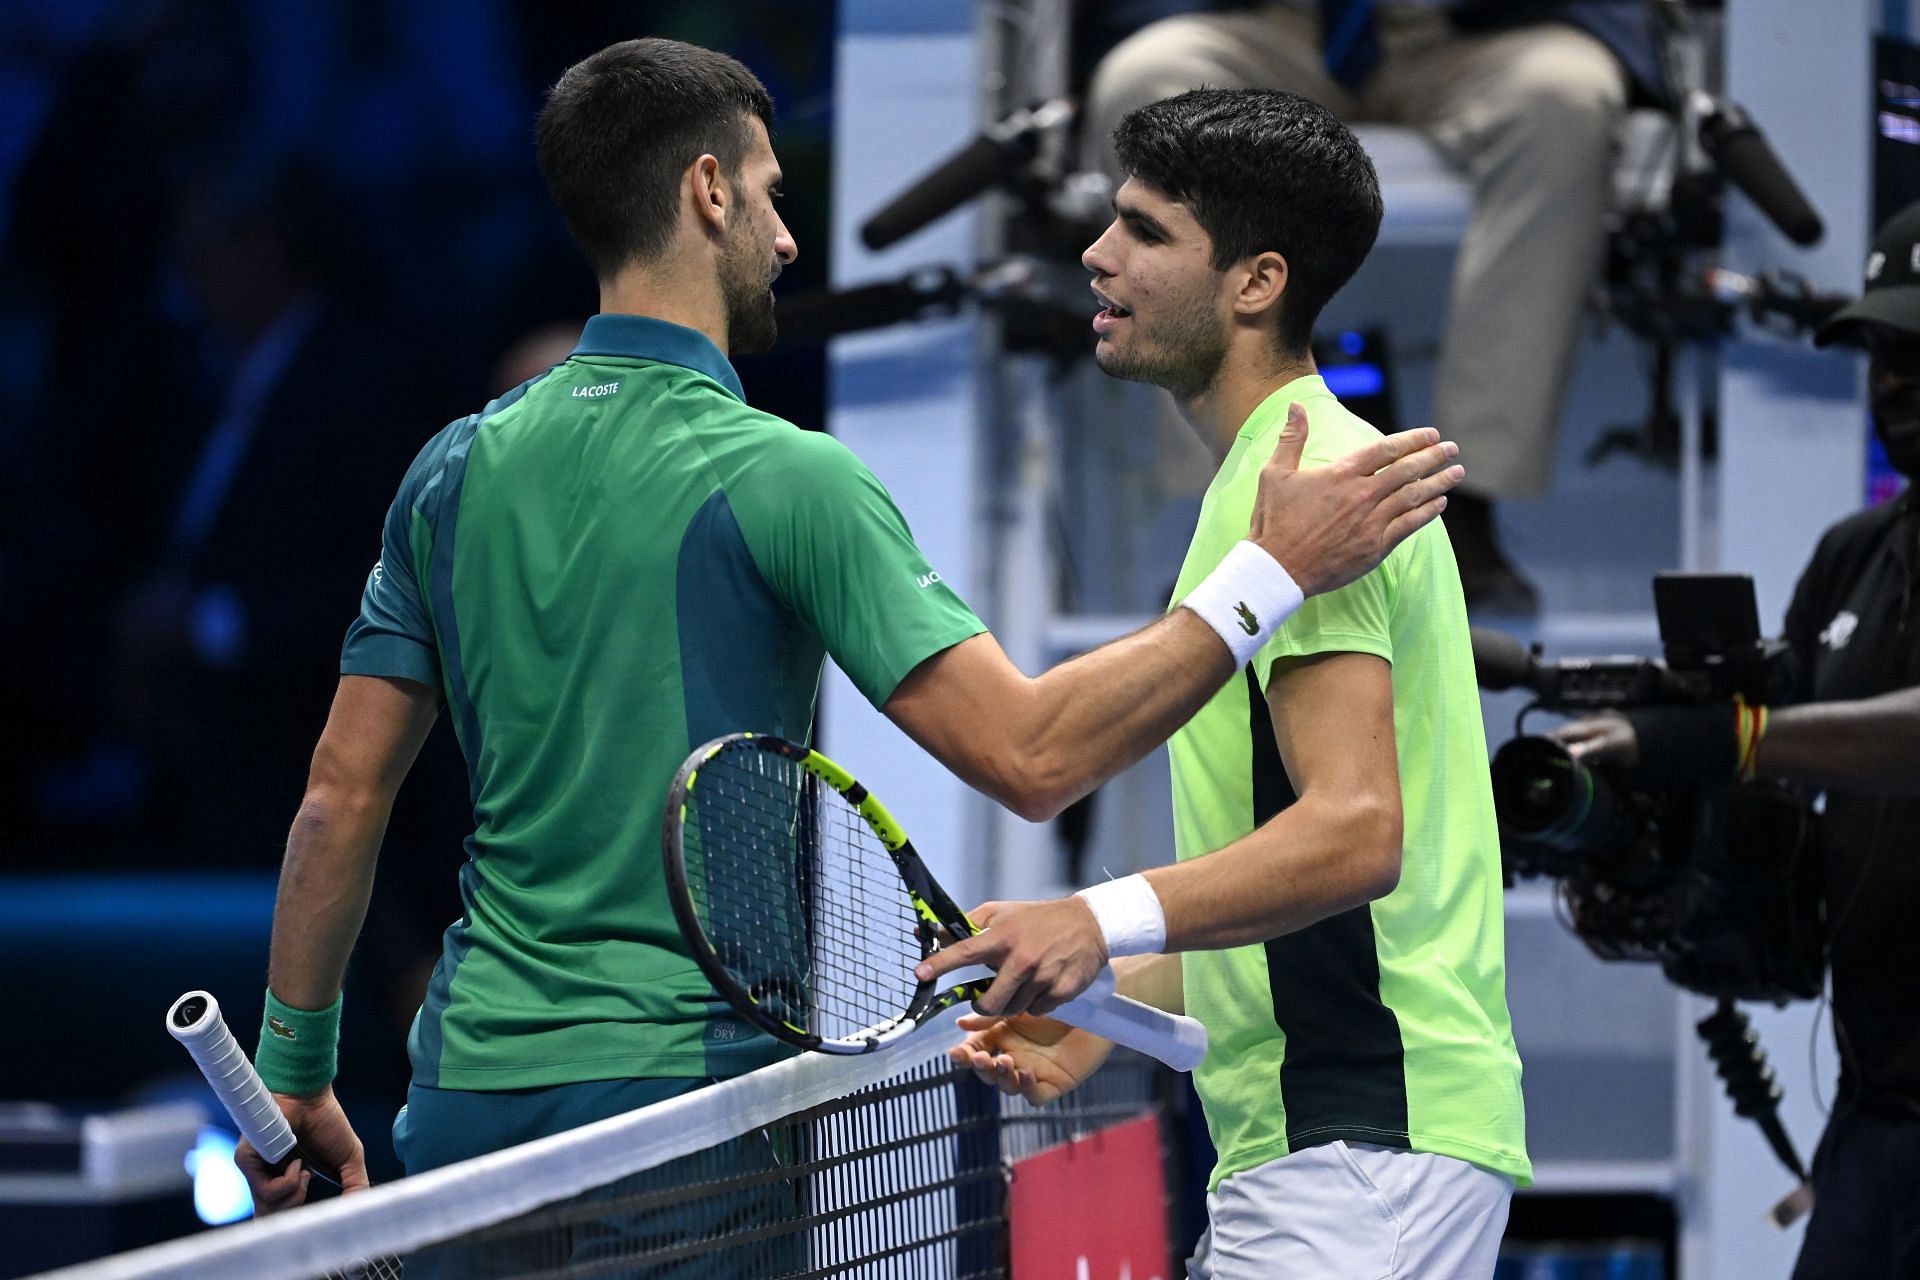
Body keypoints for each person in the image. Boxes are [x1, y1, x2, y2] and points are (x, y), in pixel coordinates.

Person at [235, 38, 1465, 1212]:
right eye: (769, 195)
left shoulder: (448, 470)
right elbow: (1032, 756)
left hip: (466, 1101)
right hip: (686, 1112)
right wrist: (1267, 576)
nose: (786, 236)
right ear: (707, 191)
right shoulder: (787, 476)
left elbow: (338, 799)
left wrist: (294, 1066)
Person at [930, 88, 1527, 1277]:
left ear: (1256, 282)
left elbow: (1355, 838)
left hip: (1357, 1141)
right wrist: (1104, 1002)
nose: (1098, 253)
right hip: (1332, 1145)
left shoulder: (1314, 491)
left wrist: (1094, 915)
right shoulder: (1272, 490)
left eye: (1147, 232)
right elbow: (1296, 883)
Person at [1553, 199, 1920, 1280]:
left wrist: (1726, 738)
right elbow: (1781, 747)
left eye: (1919, 353)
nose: (1892, 381)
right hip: (1879, 1114)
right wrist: (1645, 816)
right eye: (1879, 354)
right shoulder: (1859, 555)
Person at [1082, 0, 1664, 612]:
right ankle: (1234, 504)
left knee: (1564, 99)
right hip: (1272, 21)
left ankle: (1456, 504)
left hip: (1468, 29)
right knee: (1144, 81)